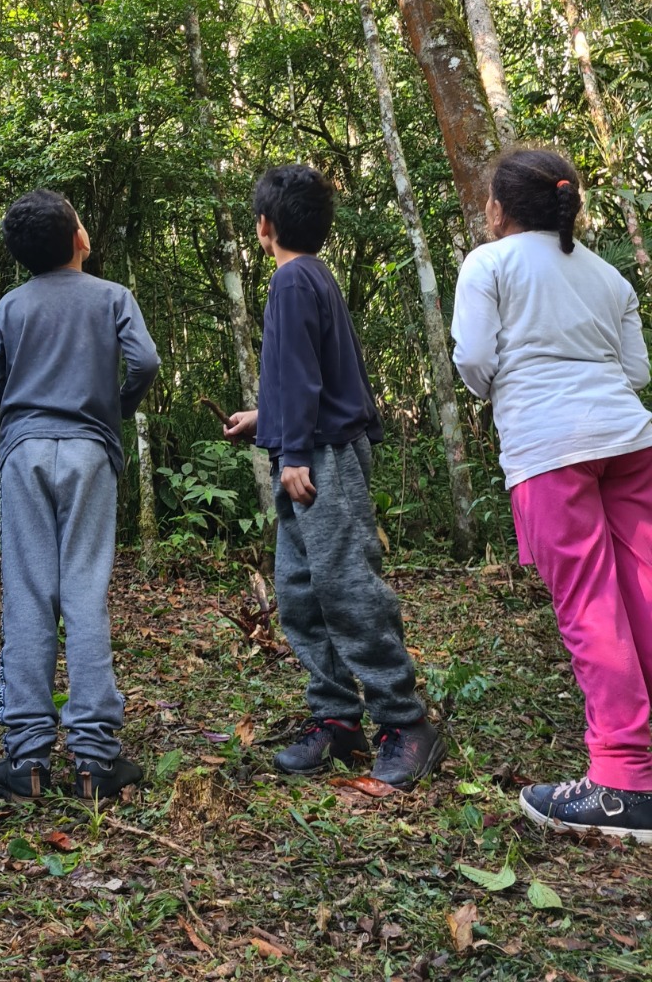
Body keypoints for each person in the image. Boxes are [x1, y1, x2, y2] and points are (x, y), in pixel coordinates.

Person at [451, 148, 652, 841]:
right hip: (630, 441)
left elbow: (474, 360)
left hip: (549, 450)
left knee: (592, 607)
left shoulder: (490, 263)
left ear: (498, 211)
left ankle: (624, 781)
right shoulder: (607, 273)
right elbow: (636, 369)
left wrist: (503, 387)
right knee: (642, 590)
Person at [224, 164, 445, 790]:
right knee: (297, 593)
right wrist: (266, 420)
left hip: (319, 461)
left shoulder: (293, 279)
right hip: (306, 449)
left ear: (264, 226)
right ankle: (337, 717)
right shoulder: (311, 276)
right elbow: (311, 380)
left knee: (346, 586)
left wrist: (292, 451)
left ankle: (405, 722)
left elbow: (301, 377)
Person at [0, 189, 160, 802]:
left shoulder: (12, 304)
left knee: (28, 592)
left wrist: (28, 403)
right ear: (78, 238)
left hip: (24, 452)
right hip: (89, 452)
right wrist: (111, 409)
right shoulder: (112, 297)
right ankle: (95, 759)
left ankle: (26, 758)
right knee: (84, 589)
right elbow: (146, 363)